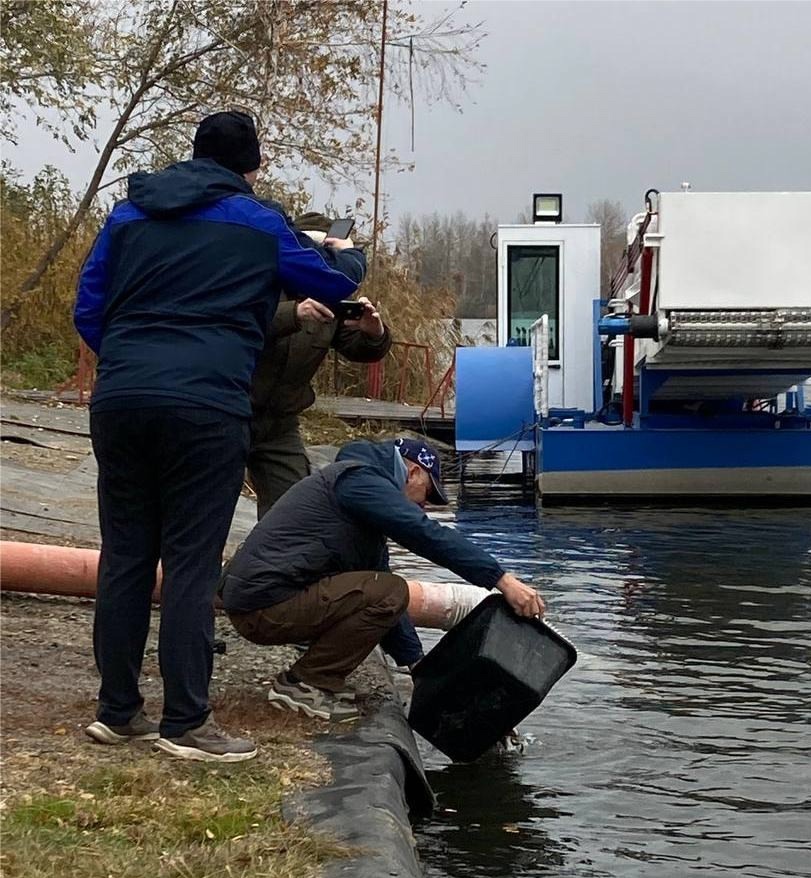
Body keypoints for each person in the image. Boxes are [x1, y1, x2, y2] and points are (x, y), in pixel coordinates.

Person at [74, 110, 366, 762]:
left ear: (193, 156)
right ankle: (186, 722)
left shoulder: (127, 215)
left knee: (123, 556)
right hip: (205, 408)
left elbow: (87, 307)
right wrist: (348, 253)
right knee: (190, 561)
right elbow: (334, 284)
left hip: (121, 400)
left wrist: (128, 360)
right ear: (251, 168)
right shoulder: (257, 221)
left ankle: (117, 712)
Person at [219, 437, 545, 721]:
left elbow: (384, 590)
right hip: (264, 606)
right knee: (389, 591)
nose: (423, 507)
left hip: (263, 603)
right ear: (413, 472)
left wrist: (417, 666)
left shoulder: (360, 497)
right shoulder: (360, 481)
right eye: (426, 496)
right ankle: (306, 684)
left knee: (384, 588)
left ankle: (309, 679)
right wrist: (501, 579)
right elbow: (424, 534)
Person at [249, 212, 392, 519]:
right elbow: (243, 322)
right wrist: (293, 313)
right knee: (208, 507)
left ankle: (275, 566)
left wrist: (374, 332)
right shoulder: (258, 279)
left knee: (293, 512)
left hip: (280, 422)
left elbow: (358, 348)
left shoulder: (330, 295)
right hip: (232, 413)